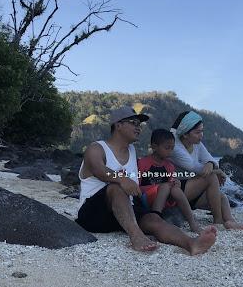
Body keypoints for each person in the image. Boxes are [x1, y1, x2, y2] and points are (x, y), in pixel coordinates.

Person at [75, 106, 217, 254]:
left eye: (139, 124)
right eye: (134, 123)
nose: (139, 128)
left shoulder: (132, 151)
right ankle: (137, 237)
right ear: (118, 125)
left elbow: (139, 183)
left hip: (122, 215)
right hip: (93, 213)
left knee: (154, 219)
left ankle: (191, 243)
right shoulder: (97, 148)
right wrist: (122, 179)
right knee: (116, 187)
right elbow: (99, 170)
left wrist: (166, 186)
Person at [169, 111, 243, 230]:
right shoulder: (175, 147)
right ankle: (218, 221)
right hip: (177, 190)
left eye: (202, 131)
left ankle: (229, 221)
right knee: (211, 177)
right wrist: (217, 171)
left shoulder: (197, 144)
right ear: (185, 134)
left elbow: (212, 160)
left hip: (191, 190)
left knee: (221, 197)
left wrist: (210, 163)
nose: (201, 135)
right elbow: (194, 167)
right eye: (197, 132)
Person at [137, 128, 204, 235]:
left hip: (165, 200)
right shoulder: (143, 163)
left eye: (172, 149)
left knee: (176, 189)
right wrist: (158, 186)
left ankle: (193, 224)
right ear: (154, 147)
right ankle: (157, 219)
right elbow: (138, 188)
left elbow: (170, 183)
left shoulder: (169, 166)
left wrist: (175, 184)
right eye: (167, 148)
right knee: (164, 187)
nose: (170, 152)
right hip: (147, 198)